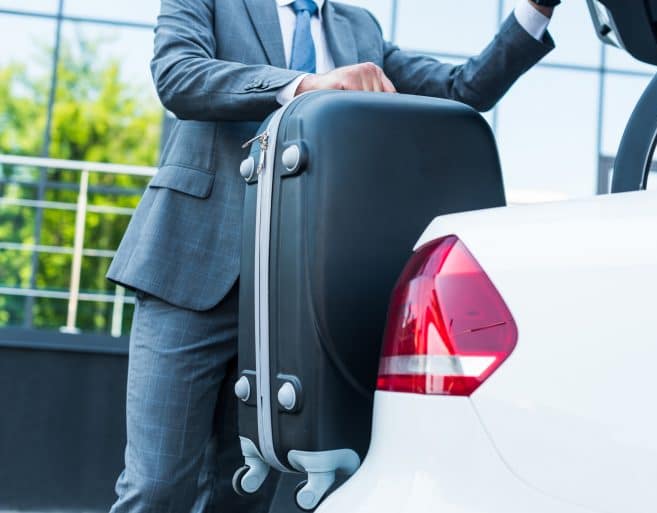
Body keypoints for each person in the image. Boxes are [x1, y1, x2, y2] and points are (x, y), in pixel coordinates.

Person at [106, 0, 558, 511]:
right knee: (157, 485)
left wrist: (537, 9)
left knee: (243, 495)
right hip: (191, 272)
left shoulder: (357, 27)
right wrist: (305, 87)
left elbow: (461, 90)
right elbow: (178, 76)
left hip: (286, 301)